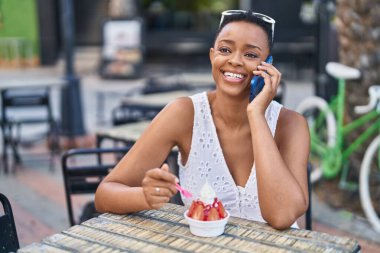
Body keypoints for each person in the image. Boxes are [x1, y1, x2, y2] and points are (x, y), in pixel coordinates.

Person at [95, 10, 310, 230]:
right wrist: (146, 196)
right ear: (212, 57)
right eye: (225, 50)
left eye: (251, 55)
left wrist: (256, 115)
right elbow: (105, 194)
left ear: (269, 65)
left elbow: (282, 216)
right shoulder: (184, 113)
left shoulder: (292, 125)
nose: (235, 61)